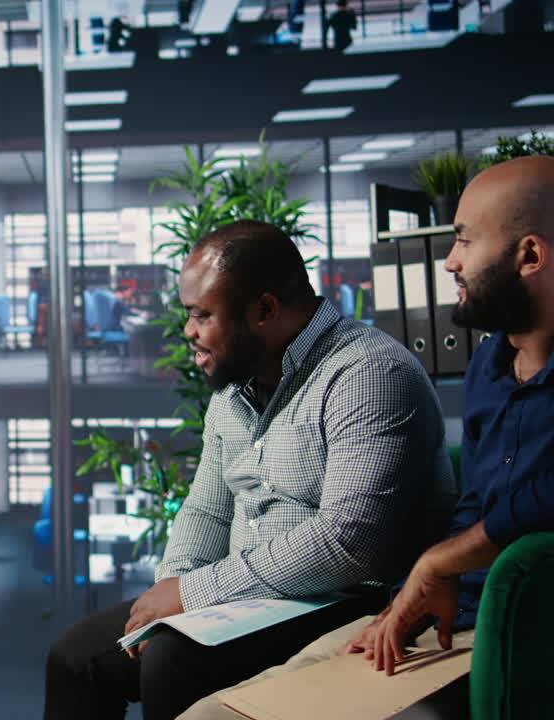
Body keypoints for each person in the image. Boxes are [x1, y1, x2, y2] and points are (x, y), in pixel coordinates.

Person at [176, 155, 554, 720]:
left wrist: (438, 564)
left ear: (529, 255)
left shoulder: (369, 372)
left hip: (518, 627)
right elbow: (478, 501)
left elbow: (542, 498)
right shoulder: (488, 366)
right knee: (209, 713)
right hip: (445, 613)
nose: (448, 261)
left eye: (464, 241)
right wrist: (422, 588)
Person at [44, 219, 456, 720]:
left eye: (202, 315)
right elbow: (206, 511)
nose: (188, 332)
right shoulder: (234, 391)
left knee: (175, 662)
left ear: (264, 309)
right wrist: (170, 591)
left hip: (344, 600)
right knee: (75, 659)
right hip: (245, 602)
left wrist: (195, 594)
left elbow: (350, 544)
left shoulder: (369, 374)